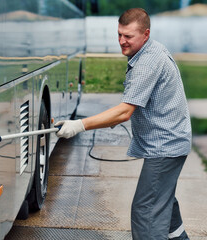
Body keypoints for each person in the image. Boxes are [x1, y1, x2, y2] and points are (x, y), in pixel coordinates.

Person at [55, 8, 191, 240]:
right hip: (172, 142)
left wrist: (79, 125)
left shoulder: (147, 63)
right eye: (119, 34)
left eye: (128, 36)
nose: (121, 41)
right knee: (163, 205)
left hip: (165, 147)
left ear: (145, 34)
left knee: (146, 213)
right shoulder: (153, 49)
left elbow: (124, 112)